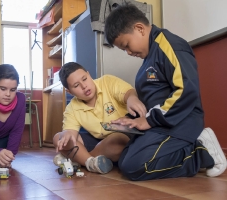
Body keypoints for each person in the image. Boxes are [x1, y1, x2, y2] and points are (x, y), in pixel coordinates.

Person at [104, 3, 227, 180]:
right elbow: (154, 98)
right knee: (124, 159)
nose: (128, 52)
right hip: (159, 123)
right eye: (124, 50)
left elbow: (186, 90)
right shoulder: (148, 57)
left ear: (140, 29)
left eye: (127, 46)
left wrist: (149, 120)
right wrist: (131, 120)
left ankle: (201, 151)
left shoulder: (170, 45)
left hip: (180, 123)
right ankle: (189, 150)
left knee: (133, 167)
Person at [53, 62, 147, 174]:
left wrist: (132, 98)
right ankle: (90, 162)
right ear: (69, 91)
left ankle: (78, 160)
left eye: (85, 79)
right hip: (97, 140)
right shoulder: (72, 108)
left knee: (116, 144)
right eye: (76, 85)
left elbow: (129, 92)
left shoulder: (107, 81)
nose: (84, 86)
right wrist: (67, 135)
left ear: (88, 74)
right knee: (58, 137)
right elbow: (70, 133)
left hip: (119, 136)